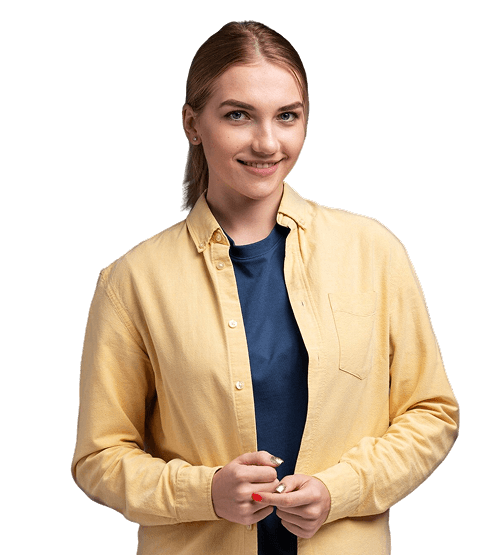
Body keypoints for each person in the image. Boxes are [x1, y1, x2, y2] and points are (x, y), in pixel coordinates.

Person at [71, 20, 459, 555]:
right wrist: (205, 493)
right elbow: (99, 458)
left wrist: (341, 490)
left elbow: (431, 413)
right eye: (238, 115)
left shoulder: (374, 251)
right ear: (191, 123)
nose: (267, 142)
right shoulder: (131, 281)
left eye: (287, 116)